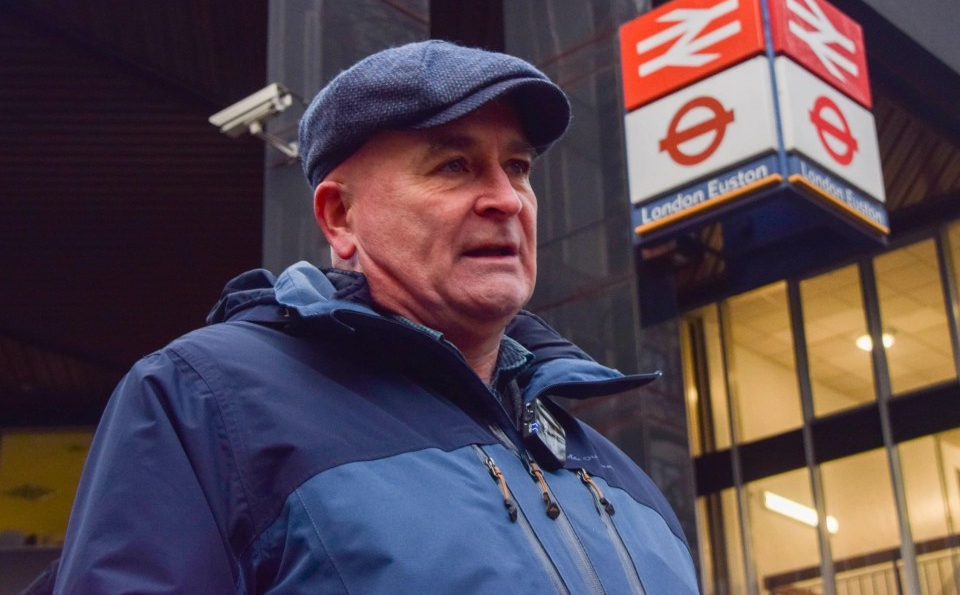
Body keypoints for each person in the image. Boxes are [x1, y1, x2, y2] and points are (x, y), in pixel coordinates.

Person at [51, 40, 700, 594]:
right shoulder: (201, 402)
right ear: (339, 217)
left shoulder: (624, 479)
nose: (506, 199)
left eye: (518, 167)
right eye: (455, 165)